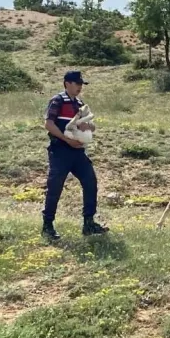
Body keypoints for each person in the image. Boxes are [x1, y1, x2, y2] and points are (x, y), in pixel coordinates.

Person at [40, 70, 108, 239]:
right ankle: (47, 225)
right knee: (55, 187)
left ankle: (89, 223)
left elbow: (91, 125)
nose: (79, 87)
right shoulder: (57, 100)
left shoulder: (79, 103)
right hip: (60, 151)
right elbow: (48, 124)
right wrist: (65, 139)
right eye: (77, 84)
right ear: (67, 83)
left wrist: (89, 127)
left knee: (90, 181)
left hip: (78, 152)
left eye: (81, 84)